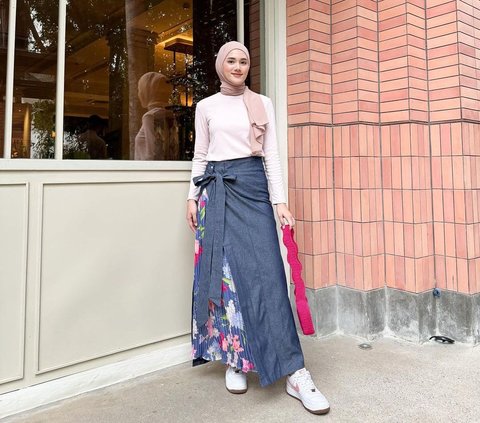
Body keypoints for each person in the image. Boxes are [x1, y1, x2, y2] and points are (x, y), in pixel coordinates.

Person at [185, 41, 330, 415]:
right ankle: (236, 358)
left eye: (243, 61)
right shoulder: (205, 107)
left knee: (268, 276)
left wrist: (279, 201)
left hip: (252, 190)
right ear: (220, 65)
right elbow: (200, 155)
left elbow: (272, 155)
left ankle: (295, 372)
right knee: (226, 277)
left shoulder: (261, 103)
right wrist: (190, 197)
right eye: (231, 61)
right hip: (214, 194)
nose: (237, 66)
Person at [135, 72, 178, 160]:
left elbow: (153, 154)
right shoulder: (170, 115)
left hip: (147, 171)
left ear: (146, 91)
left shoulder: (150, 117)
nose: (138, 94)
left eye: (139, 90)